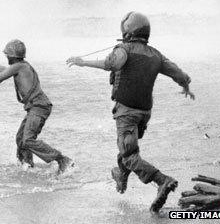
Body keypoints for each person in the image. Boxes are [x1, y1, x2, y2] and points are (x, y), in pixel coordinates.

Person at [66, 11, 195, 214]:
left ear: (127, 31)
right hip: (145, 112)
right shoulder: (156, 55)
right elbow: (180, 74)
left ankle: (162, 181)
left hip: (127, 112)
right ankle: (121, 176)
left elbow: (111, 64)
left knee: (128, 154)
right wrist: (185, 86)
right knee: (128, 148)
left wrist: (83, 62)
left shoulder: (123, 49)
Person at [0, 39, 73, 174]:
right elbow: (5, 71)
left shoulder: (18, 67)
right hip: (37, 107)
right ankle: (27, 165)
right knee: (20, 138)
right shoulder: (21, 65)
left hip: (39, 107)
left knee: (27, 140)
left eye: (7, 55)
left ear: (12, 56)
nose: (6, 57)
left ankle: (62, 159)